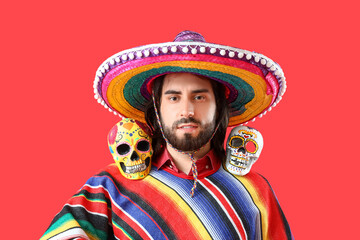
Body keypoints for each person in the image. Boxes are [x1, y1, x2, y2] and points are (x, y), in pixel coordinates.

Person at [41, 31, 293, 240]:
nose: (187, 110)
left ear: (219, 107)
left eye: (200, 96)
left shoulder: (255, 190)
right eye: (174, 97)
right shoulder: (109, 188)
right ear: (157, 108)